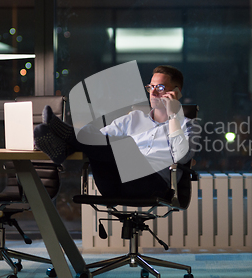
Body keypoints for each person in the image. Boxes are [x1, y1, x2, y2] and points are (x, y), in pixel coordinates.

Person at [34, 65, 198, 200]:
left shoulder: (187, 125)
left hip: (153, 187)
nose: (153, 93)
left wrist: (174, 115)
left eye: (160, 88)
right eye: (151, 87)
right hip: (114, 184)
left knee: (125, 145)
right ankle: (66, 146)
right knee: (99, 138)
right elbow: (96, 137)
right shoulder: (134, 118)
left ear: (176, 91)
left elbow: (181, 157)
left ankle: (66, 140)